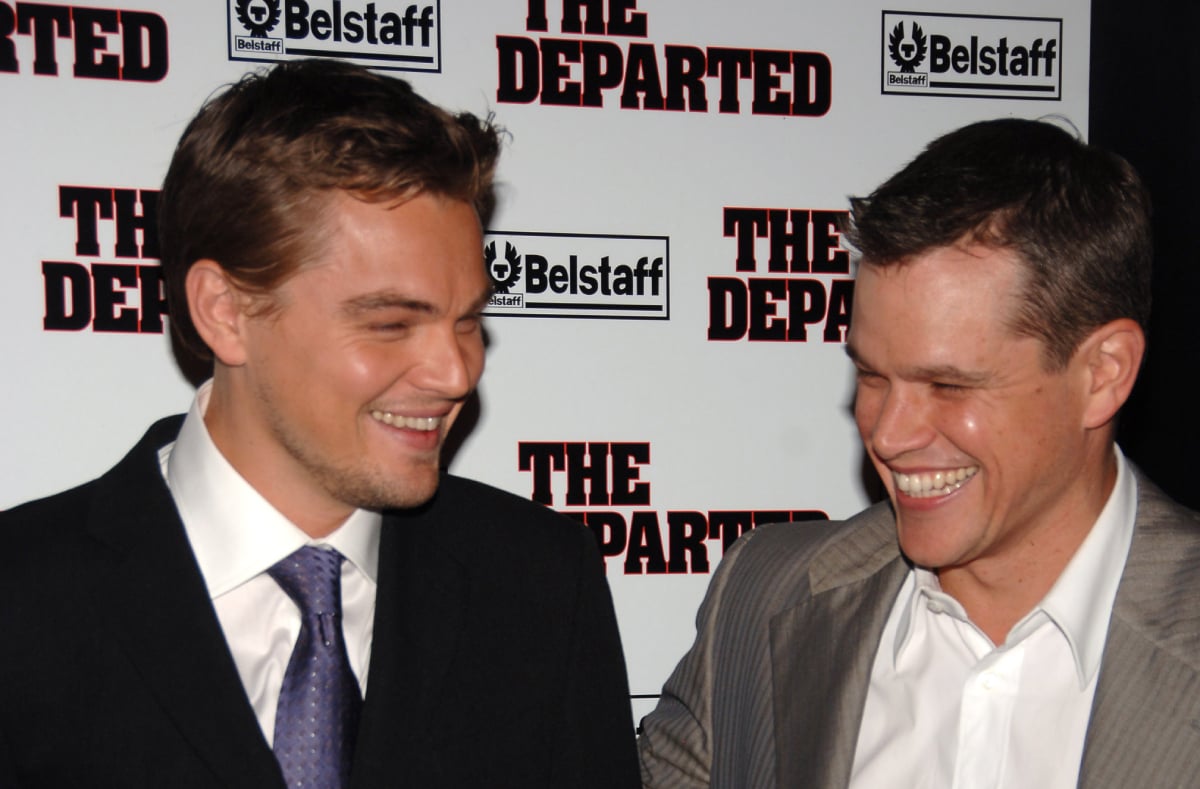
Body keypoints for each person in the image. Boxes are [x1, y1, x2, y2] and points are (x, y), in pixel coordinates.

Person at [0, 59, 640, 789]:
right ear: (224, 312)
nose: (456, 372)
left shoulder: (538, 585)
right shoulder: (22, 602)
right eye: (391, 323)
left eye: (468, 320)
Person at [638, 118, 1200, 788]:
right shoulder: (763, 600)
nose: (887, 432)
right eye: (872, 375)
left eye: (948, 385)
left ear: (1103, 373)